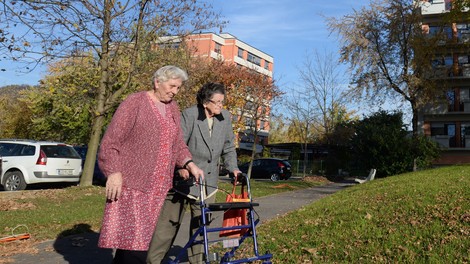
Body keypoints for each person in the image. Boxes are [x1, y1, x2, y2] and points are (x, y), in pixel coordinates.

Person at [97, 65, 204, 264]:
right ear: (157, 82)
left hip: (158, 188)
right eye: (172, 86)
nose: (175, 91)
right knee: (135, 247)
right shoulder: (135, 102)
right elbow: (111, 142)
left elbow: (177, 144)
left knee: (135, 245)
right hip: (133, 185)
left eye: (178, 88)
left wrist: (189, 164)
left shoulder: (172, 107)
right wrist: (113, 172)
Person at [147, 82, 241, 264]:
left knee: (201, 227)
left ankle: (197, 262)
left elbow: (229, 147)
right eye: (218, 102)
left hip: (209, 183)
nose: (221, 106)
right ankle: (153, 261)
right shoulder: (189, 115)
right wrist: (181, 166)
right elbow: (176, 145)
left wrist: (233, 168)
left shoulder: (225, 118)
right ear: (206, 102)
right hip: (184, 180)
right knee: (168, 226)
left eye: (223, 102)